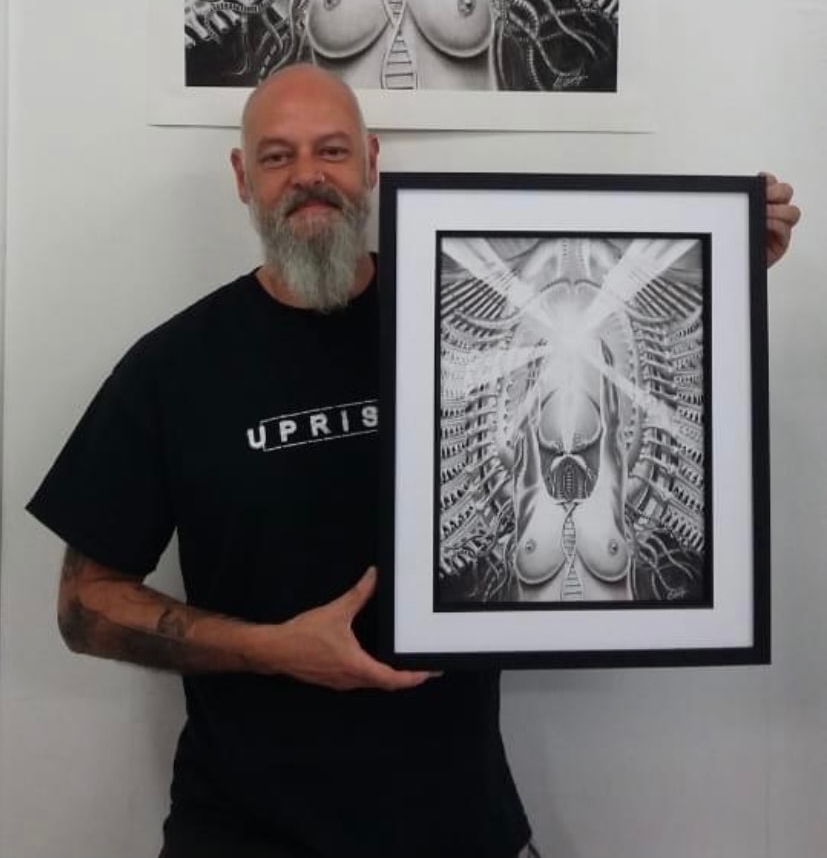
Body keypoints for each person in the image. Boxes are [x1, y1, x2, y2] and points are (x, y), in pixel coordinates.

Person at [27, 66, 801, 858]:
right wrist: (271, 648)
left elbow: (605, 352)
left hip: (455, 822)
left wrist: (721, 263)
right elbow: (85, 604)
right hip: (243, 829)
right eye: (277, 155)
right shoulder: (173, 367)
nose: (307, 175)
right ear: (241, 177)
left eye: (331, 150)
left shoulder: (481, 319)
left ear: (370, 160)